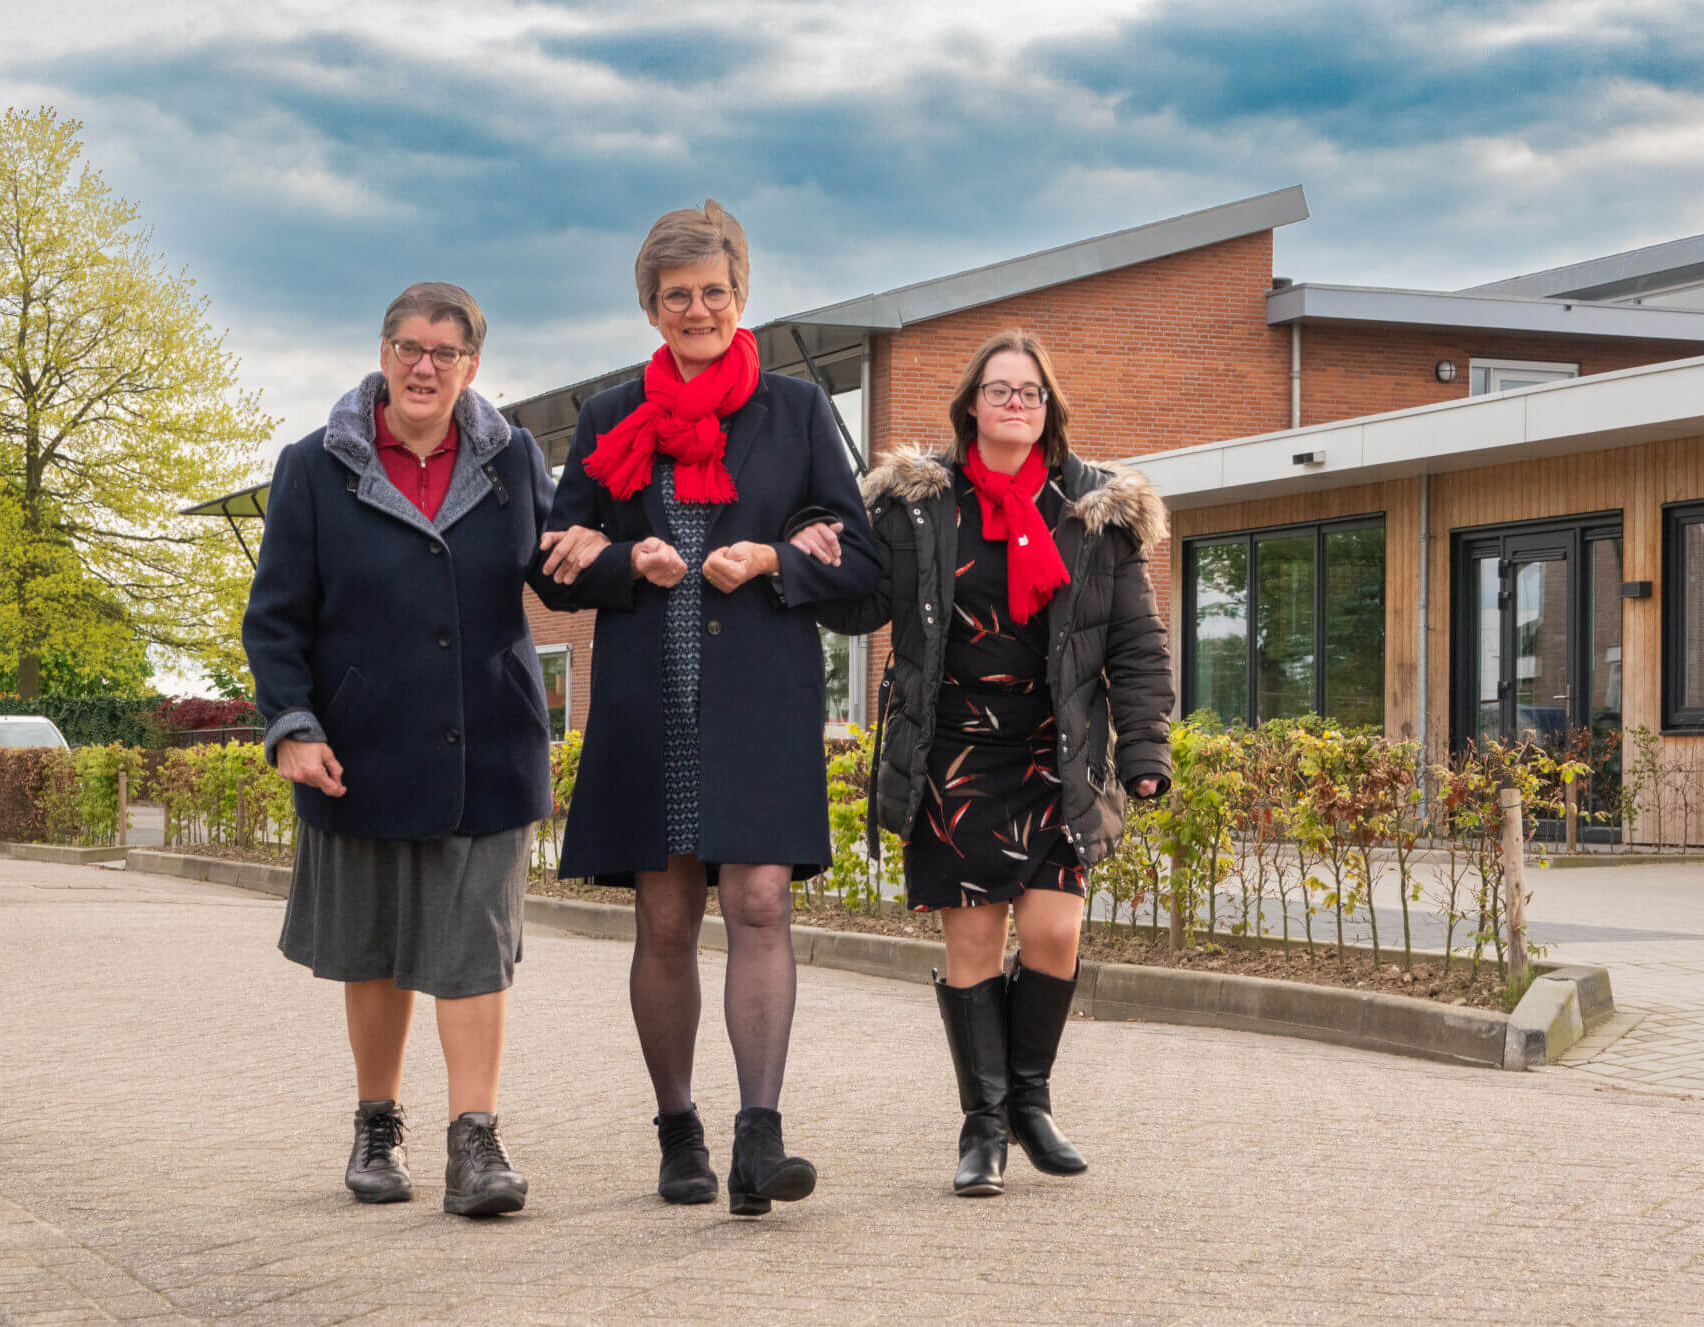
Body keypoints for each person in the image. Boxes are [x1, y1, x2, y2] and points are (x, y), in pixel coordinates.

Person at [533, 200, 881, 1217]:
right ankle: (677, 1126)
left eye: (715, 292)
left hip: (759, 700)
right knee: (667, 916)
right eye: (677, 295)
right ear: (651, 307)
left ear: (743, 297)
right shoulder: (606, 418)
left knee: (761, 899)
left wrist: (774, 558)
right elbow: (553, 561)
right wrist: (618, 558)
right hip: (650, 700)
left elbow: (864, 568)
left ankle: (758, 1135)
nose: (698, 309)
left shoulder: (797, 411)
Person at [813, 328, 1173, 1197]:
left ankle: (1029, 1101)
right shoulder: (918, 507)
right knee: (974, 939)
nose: (1016, 403)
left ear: (1049, 409)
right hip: (953, 754)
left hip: (1057, 754)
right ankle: (984, 1124)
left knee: (1053, 932)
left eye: (1031, 392)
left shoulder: (1093, 510)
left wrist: (1145, 748)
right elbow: (864, 607)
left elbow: (1136, 644)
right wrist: (816, 557)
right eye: (1000, 389)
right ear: (971, 405)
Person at [243, 282, 557, 1217]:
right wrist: (293, 725)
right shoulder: (313, 465)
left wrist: (626, 560)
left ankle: (476, 1141)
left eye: (445, 353)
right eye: (410, 348)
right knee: (374, 951)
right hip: (361, 749)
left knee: (474, 950)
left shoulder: (515, 459)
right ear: (383, 355)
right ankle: (377, 1124)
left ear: (472, 366)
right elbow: (276, 617)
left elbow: (562, 564)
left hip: (487, 744)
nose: (425, 367)